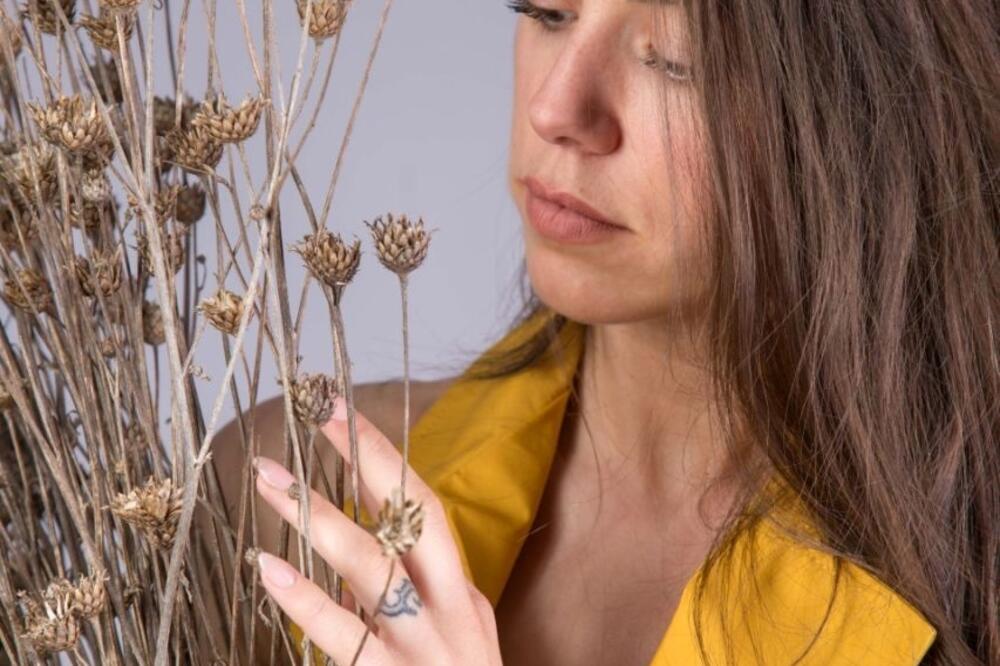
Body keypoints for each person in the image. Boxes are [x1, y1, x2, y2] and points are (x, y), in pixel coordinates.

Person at [212, 1, 998, 664]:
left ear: (871, 120)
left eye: (678, 62)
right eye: (548, 12)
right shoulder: (279, 491)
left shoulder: (968, 587)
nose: (557, 107)